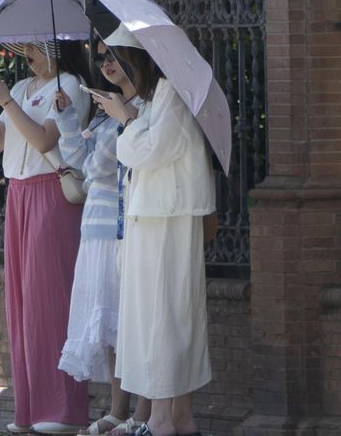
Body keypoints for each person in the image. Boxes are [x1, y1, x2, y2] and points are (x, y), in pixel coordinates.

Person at [91, 25, 215, 436]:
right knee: (158, 316)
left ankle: (164, 419)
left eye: (119, 58)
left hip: (168, 220)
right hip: (153, 218)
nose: (112, 66)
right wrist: (131, 117)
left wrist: (126, 119)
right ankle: (177, 417)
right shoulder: (157, 98)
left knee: (167, 316)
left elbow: (149, 152)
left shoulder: (173, 96)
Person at [0, 40, 91, 435]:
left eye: (36, 44)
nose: (27, 50)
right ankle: (29, 409)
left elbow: (45, 140)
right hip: (19, 194)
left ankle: (64, 410)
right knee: (22, 302)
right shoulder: (24, 88)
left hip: (50, 193)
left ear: (56, 48)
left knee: (52, 299)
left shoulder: (70, 85)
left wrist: (6, 102)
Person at [53, 37, 151, 436]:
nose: (107, 64)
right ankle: (116, 407)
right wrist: (66, 118)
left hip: (120, 226)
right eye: (102, 59)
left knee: (131, 320)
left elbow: (105, 164)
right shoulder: (103, 111)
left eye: (114, 57)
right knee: (107, 323)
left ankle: (142, 412)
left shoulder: (136, 108)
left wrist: (103, 139)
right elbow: (77, 160)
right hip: (92, 229)